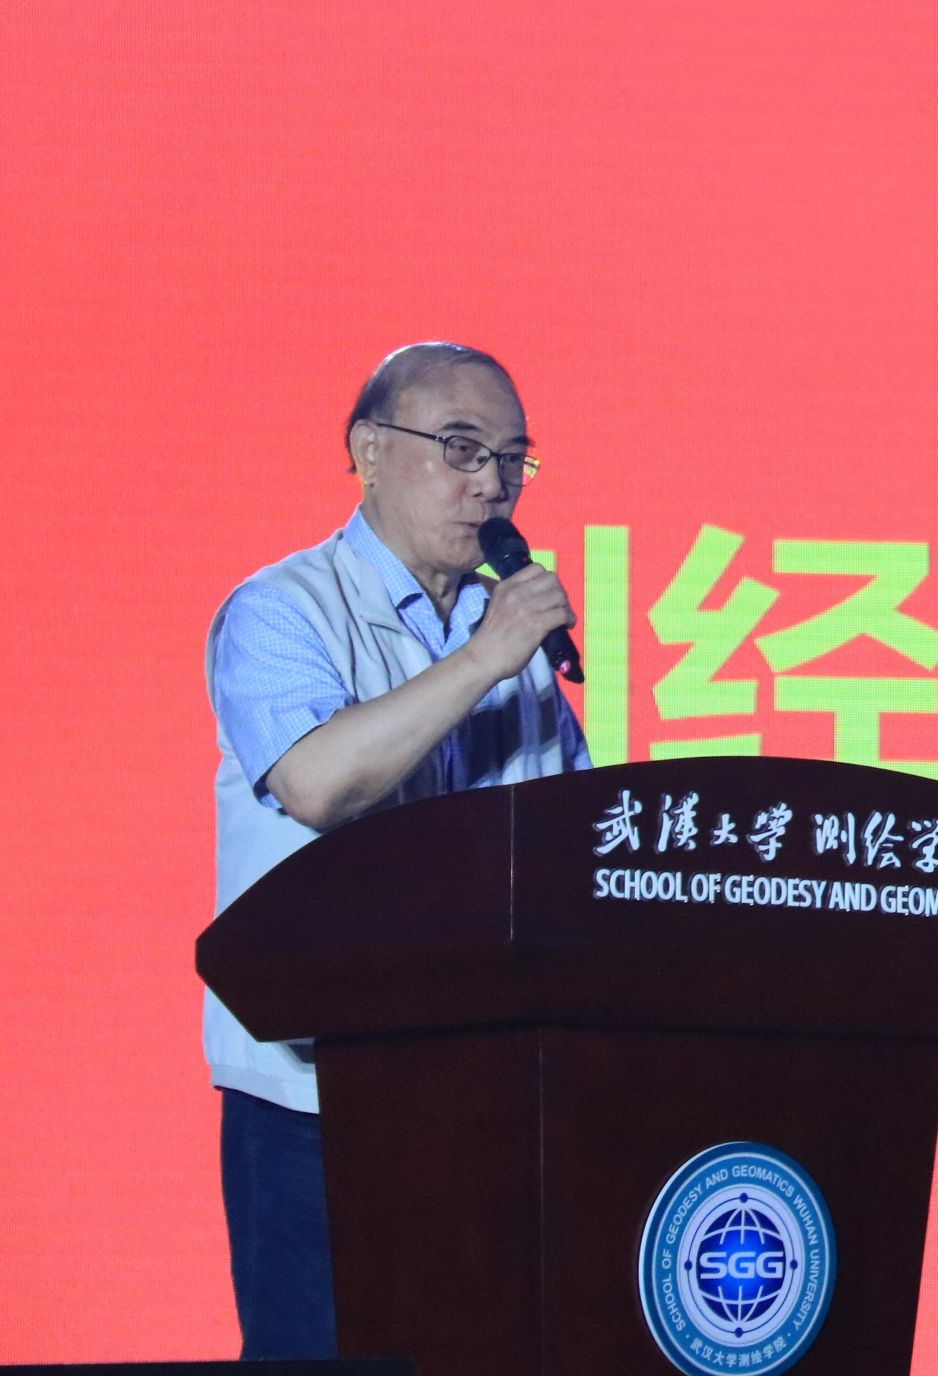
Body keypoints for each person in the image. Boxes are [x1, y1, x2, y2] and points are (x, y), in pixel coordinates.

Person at [201, 342, 589, 1358]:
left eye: (512, 458)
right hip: (313, 1101)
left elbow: (567, 848)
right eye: (461, 448)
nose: (492, 484)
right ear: (369, 450)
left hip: (479, 1092)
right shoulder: (283, 609)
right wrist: (485, 658)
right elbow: (317, 783)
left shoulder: (512, 646)